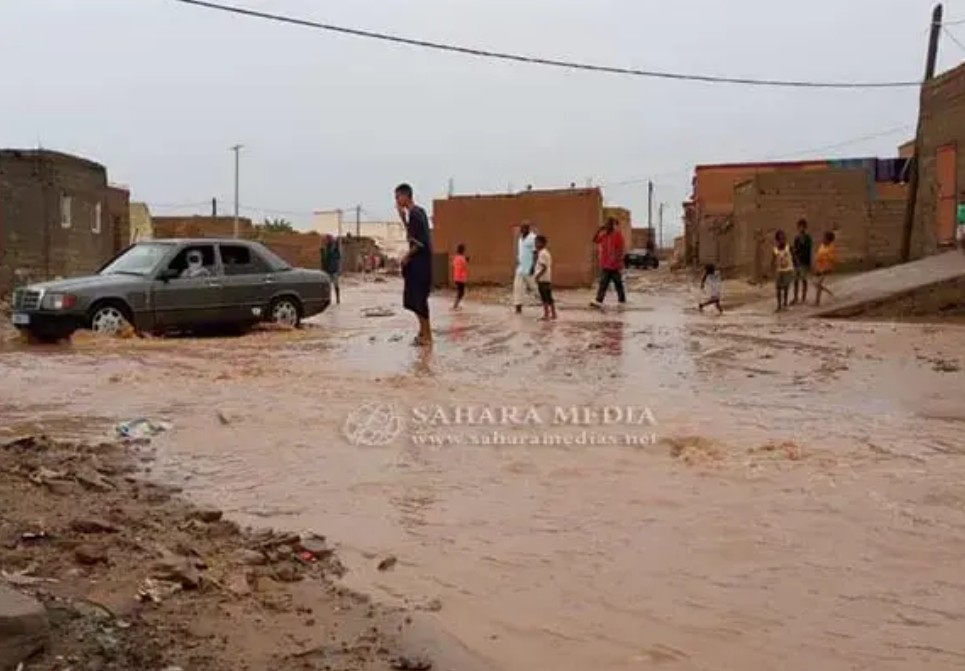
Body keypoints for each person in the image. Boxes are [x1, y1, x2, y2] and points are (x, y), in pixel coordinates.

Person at [395, 183, 433, 346]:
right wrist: (402, 218)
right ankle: (423, 332)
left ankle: (428, 335)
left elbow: (419, 243)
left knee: (419, 299)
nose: (396, 201)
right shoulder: (417, 213)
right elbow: (412, 236)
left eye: (397, 197)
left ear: (405, 196)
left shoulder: (416, 214)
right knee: (415, 299)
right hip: (421, 263)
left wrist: (406, 257)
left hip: (420, 263)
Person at [591, 217, 627, 308]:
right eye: (605, 224)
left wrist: (617, 260)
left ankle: (622, 302)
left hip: (614, 265)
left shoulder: (617, 235)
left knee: (618, 284)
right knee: (603, 283)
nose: (606, 226)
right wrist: (599, 230)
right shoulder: (604, 236)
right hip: (605, 265)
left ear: (611, 225)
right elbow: (594, 240)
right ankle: (599, 300)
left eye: (608, 224)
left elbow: (620, 249)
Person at [513, 222, 538, 314]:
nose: (521, 230)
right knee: (517, 287)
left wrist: (533, 266)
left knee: (535, 287)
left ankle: (547, 302)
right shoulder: (520, 239)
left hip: (530, 268)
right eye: (521, 228)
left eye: (523, 228)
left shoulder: (533, 238)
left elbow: (535, 253)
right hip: (520, 268)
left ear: (528, 229)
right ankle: (518, 307)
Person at [533, 235, 557, 321]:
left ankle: (546, 314)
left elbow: (544, 267)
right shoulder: (546, 252)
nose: (535, 244)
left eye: (536, 242)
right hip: (547, 278)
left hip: (543, 279)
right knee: (549, 297)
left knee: (544, 297)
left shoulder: (542, 253)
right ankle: (554, 314)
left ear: (542, 243)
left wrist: (537, 276)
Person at [792, 218, 814, 305]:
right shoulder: (796, 238)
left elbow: (808, 250)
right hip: (797, 262)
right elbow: (794, 250)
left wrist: (808, 263)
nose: (801, 228)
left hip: (804, 262)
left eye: (803, 227)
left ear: (805, 227)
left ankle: (803, 298)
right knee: (795, 280)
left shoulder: (808, 238)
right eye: (800, 227)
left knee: (804, 280)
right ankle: (795, 297)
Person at [813, 231, 837, 307]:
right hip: (820, 267)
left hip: (827, 268)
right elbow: (818, 256)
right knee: (816, 284)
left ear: (828, 239)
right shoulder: (822, 246)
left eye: (824, 238)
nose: (823, 239)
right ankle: (830, 293)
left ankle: (817, 302)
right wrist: (816, 266)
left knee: (818, 284)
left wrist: (825, 268)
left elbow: (832, 259)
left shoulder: (831, 247)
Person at [773, 230, 794, 312]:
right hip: (779, 270)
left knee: (785, 287)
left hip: (788, 270)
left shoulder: (789, 248)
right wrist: (770, 271)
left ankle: (785, 304)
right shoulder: (775, 250)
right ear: (777, 240)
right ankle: (779, 305)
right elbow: (773, 260)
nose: (783, 240)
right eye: (781, 239)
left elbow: (794, 256)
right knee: (778, 288)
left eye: (784, 238)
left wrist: (797, 265)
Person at [321, 234, 342, 305]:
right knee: (328, 286)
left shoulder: (334, 248)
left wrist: (339, 269)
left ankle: (337, 299)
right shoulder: (325, 249)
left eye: (327, 239)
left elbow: (338, 259)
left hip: (334, 270)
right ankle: (329, 299)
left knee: (335, 285)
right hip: (328, 270)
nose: (326, 241)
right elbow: (323, 260)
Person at [452, 243, 469, 310]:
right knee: (461, 293)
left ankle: (456, 305)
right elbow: (464, 267)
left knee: (460, 292)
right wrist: (466, 261)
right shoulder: (462, 258)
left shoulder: (456, 258)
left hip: (456, 277)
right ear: (463, 250)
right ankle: (455, 306)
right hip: (461, 278)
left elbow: (455, 265)